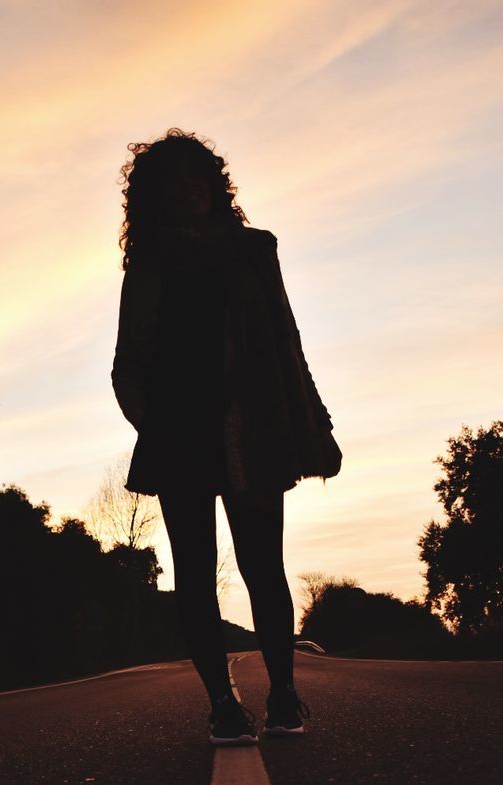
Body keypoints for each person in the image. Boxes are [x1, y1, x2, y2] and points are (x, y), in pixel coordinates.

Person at [111, 127, 342, 746]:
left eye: (197, 174)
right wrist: (154, 425)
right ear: (154, 197)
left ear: (215, 182)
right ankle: (222, 704)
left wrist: (309, 420)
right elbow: (127, 362)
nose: (188, 188)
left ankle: (285, 696)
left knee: (264, 566)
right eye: (172, 180)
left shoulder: (255, 250)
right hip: (179, 432)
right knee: (194, 573)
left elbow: (287, 340)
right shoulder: (151, 263)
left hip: (256, 428)